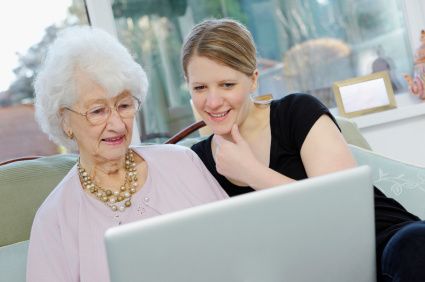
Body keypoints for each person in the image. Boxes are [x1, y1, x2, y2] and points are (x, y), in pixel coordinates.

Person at [181, 18, 424, 282]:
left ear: (253, 80)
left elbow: (343, 213)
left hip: (385, 246)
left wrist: (252, 173)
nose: (213, 102)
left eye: (227, 85)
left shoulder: (297, 112)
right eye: (200, 88)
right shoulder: (198, 161)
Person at [26, 26, 228, 282]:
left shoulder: (182, 162)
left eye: (124, 106)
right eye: (98, 111)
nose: (118, 125)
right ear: (64, 121)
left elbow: (236, 246)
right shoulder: (54, 220)